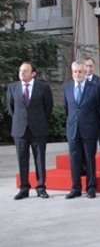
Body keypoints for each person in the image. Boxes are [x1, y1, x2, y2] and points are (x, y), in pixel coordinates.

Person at [7, 62, 53, 199]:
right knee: (22, 159)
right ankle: (24, 188)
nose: (22, 73)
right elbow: (11, 109)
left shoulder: (43, 88)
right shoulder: (12, 87)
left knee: (40, 159)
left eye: (26, 71)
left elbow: (48, 108)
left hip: (38, 129)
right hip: (20, 129)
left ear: (33, 73)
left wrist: (38, 121)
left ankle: (41, 187)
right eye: (21, 70)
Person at [64, 60, 100, 199]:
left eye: (80, 71)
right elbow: (67, 109)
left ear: (85, 72)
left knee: (89, 159)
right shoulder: (67, 88)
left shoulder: (94, 88)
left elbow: (98, 109)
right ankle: (75, 188)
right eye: (75, 71)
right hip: (73, 129)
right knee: (74, 160)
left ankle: (91, 188)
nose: (77, 74)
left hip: (89, 129)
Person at [83, 55, 100, 168]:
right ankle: (85, 168)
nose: (89, 68)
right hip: (85, 121)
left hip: (98, 119)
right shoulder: (78, 81)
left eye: (91, 66)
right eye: (86, 66)